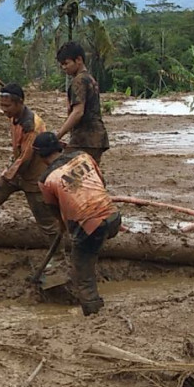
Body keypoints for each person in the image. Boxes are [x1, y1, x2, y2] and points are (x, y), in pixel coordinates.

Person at [35, 132, 121, 316]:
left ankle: (93, 312)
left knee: (82, 273)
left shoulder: (46, 180)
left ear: (40, 156)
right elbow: (101, 182)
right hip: (114, 217)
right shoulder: (83, 156)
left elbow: (55, 211)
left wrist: (64, 226)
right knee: (89, 250)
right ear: (60, 146)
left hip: (91, 227)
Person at [0, 84, 59, 243]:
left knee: (45, 220)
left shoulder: (31, 125)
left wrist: (5, 177)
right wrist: (6, 174)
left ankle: (58, 253)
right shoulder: (15, 118)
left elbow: (26, 158)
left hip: (35, 174)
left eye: (7, 106)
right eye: (1, 105)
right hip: (19, 169)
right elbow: (18, 152)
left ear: (19, 103)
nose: (4, 109)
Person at [55, 41, 109, 165]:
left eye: (66, 63)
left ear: (78, 60)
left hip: (85, 139)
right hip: (96, 138)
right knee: (89, 175)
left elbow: (78, 112)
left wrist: (57, 136)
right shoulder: (89, 79)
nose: (64, 67)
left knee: (66, 172)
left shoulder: (78, 81)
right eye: (61, 65)